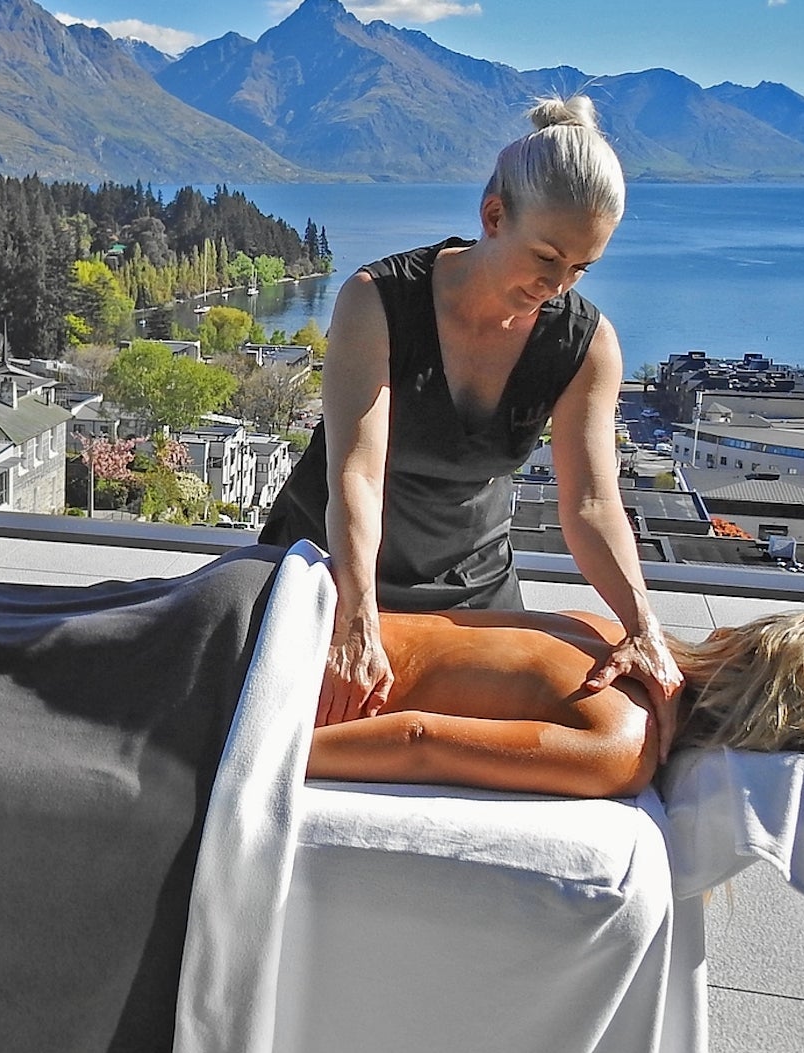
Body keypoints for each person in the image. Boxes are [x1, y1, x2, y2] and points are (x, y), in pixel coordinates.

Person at [260, 93, 684, 752]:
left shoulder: (587, 343)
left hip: (473, 595)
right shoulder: (378, 300)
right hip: (331, 572)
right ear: (493, 215)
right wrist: (354, 616)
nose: (558, 284)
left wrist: (642, 623)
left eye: (580, 267)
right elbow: (357, 473)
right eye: (546, 256)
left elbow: (594, 501)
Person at [306, 608, 804, 799]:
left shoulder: (606, 629)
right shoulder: (621, 745)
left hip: (289, 597)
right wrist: (245, 754)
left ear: (733, 643)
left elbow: (444, 623)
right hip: (271, 667)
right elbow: (419, 743)